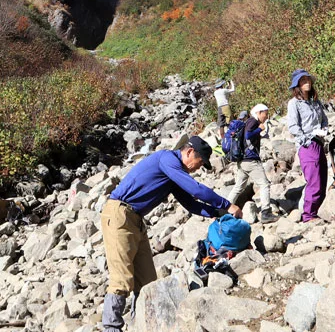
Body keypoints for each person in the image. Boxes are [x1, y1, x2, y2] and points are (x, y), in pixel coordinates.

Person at [100, 136, 240, 331]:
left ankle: (141, 325)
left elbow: (190, 203)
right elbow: (196, 190)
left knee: (147, 281)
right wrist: (227, 204)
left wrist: (218, 213)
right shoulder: (167, 159)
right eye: (199, 163)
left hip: (135, 220)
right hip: (119, 215)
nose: (197, 169)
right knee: (122, 278)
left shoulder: (173, 173)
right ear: (189, 152)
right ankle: (111, 328)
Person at [285, 69, 329, 222]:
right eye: (303, 81)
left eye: (308, 80)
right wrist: (306, 139)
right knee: (314, 181)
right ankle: (308, 215)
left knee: (323, 179)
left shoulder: (315, 101)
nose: (307, 83)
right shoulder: (294, 103)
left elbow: (324, 119)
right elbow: (293, 126)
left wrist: (324, 130)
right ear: (297, 85)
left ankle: (316, 212)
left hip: (319, 142)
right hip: (307, 146)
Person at [225, 103, 275, 223]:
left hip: (242, 161)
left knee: (239, 187)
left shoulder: (248, 122)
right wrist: (260, 129)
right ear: (258, 113)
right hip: (251, 161)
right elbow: (248, 135)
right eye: (265, 114)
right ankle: (266, 213)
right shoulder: (253, 121)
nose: (266, 117)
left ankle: (224, 209)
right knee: (264, 185)